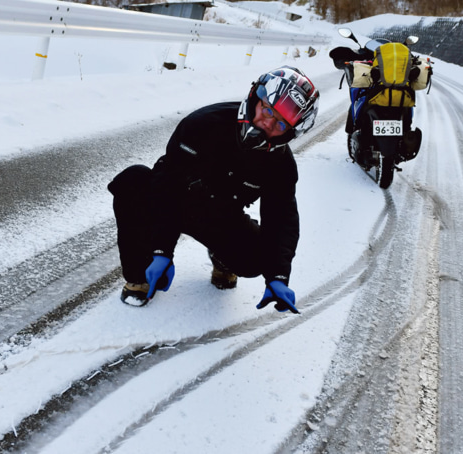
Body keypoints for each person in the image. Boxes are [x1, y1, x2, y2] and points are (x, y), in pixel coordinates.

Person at [107, 66, 320, 313]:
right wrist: (161, 249)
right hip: (177, 201)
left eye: (280, 124)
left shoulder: (280, 164)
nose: (267, 123)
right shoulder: (202, 124)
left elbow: (281, 218)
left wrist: (278, 276)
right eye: (267, 109)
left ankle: (222, 260)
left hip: (221, 216)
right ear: (255, 98)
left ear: (290, 133)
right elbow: (167, 185)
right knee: (132, 180)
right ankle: (139, 277)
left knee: (257, 256)